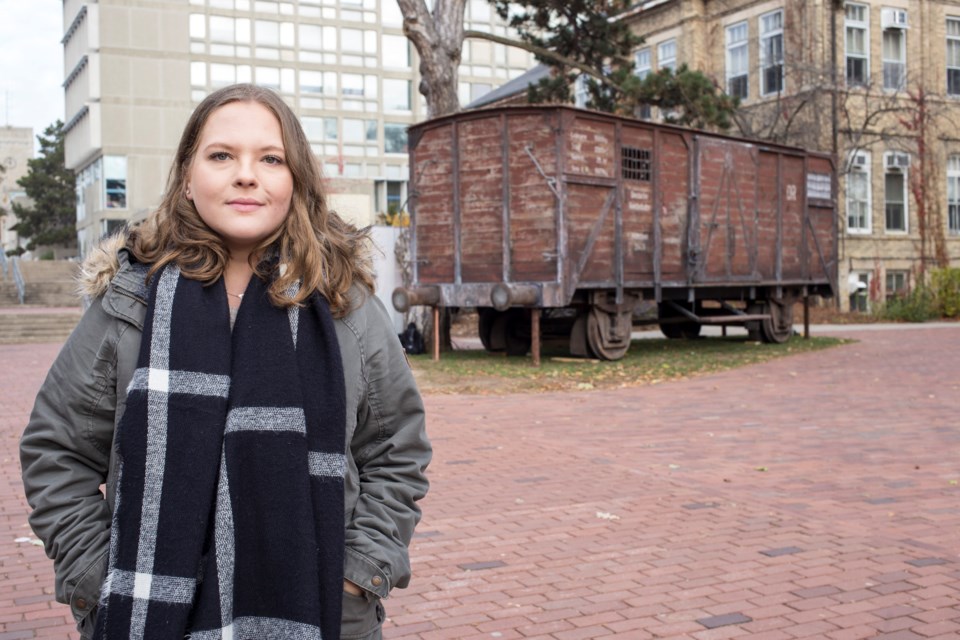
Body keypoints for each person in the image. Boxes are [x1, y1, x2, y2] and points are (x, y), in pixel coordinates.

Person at [20, 83, 431, 640]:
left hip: (322, 612)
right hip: (150, 615)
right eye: (221, 156)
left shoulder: (346, 305)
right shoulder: (129, 303)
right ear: (188, 179)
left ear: (295, 181)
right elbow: (56, 451)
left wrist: (358, 573)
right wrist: (98, 577)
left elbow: (395, 449)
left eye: (270, 158)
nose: (246, 174)